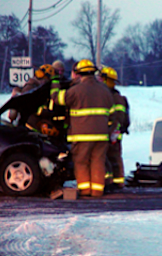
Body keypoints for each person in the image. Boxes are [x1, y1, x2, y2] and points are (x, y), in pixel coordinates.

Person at [50, 59, 116, 197]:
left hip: (81, 136)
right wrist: (109, 131)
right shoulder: (105, 91)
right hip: (101, 136)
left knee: (81, 162)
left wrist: (55, 81)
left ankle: (85, 190)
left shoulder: (75, 91)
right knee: (98, 162)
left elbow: (57, 99)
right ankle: (97, 191)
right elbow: (113, 115)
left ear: (79, 74)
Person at [99, 66, 130, 190]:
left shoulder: (113, 97)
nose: (99, 80)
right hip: (112, 133)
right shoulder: (115, 96)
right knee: (111, 158)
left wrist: (111, 132)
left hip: (112, 134)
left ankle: (114, 183)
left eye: (101, 78)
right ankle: (114, 182)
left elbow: (119, 118)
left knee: (111, 158)